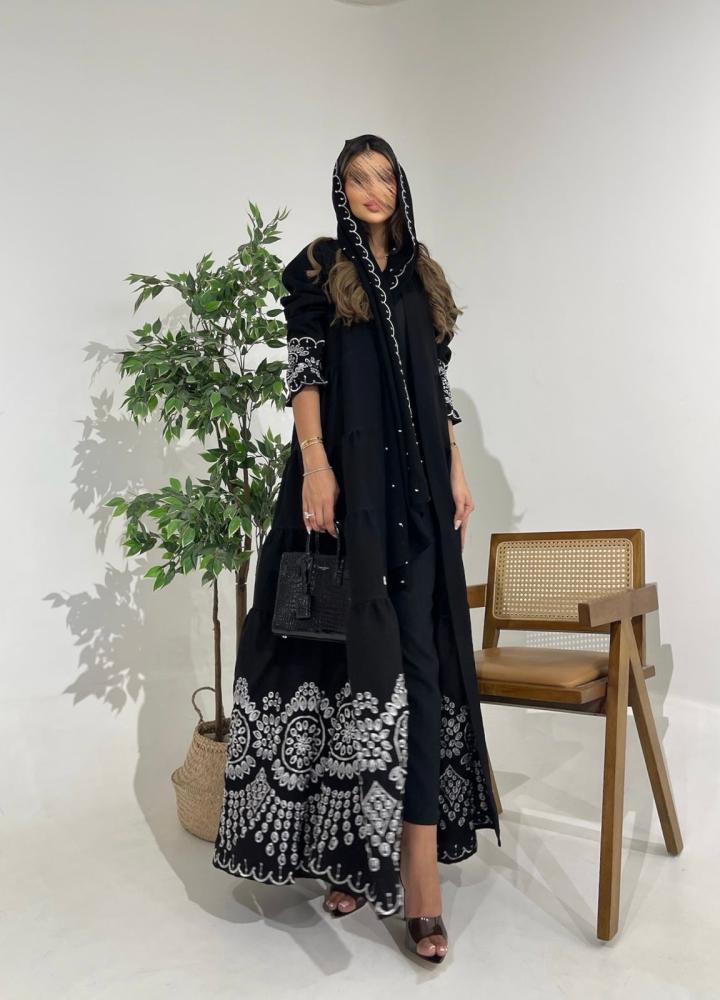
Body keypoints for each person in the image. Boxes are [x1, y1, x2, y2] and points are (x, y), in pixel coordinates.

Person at [212, 135, 501, 965]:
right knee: (343, 668)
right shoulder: (321, 267)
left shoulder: (421, 273)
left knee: (419, 672)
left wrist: (457, 467)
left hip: (419, 500)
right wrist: (315, 465)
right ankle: (351, 856)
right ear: (340, 189)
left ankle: (420, 886)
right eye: (357, 177)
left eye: (384, 176)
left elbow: (433, 384)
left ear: (400, 186)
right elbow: (306, 371)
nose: (373, 189)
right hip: (346, 490)